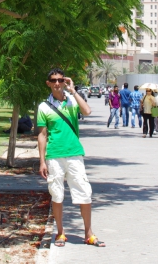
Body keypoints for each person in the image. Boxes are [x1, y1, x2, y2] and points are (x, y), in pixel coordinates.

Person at [37, 68, 105, 248]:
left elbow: (88, 111)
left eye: (60, 80)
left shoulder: (72, 101)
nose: (57, 83)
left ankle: (88, 233)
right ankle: (60, 233)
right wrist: (42, 161)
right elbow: (42, 135)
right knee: (57, 194)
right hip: (54, 155)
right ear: (48, 83)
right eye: (54, 80)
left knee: (84, 192)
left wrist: (73, 91)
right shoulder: (44, 107)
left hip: (74, 153)